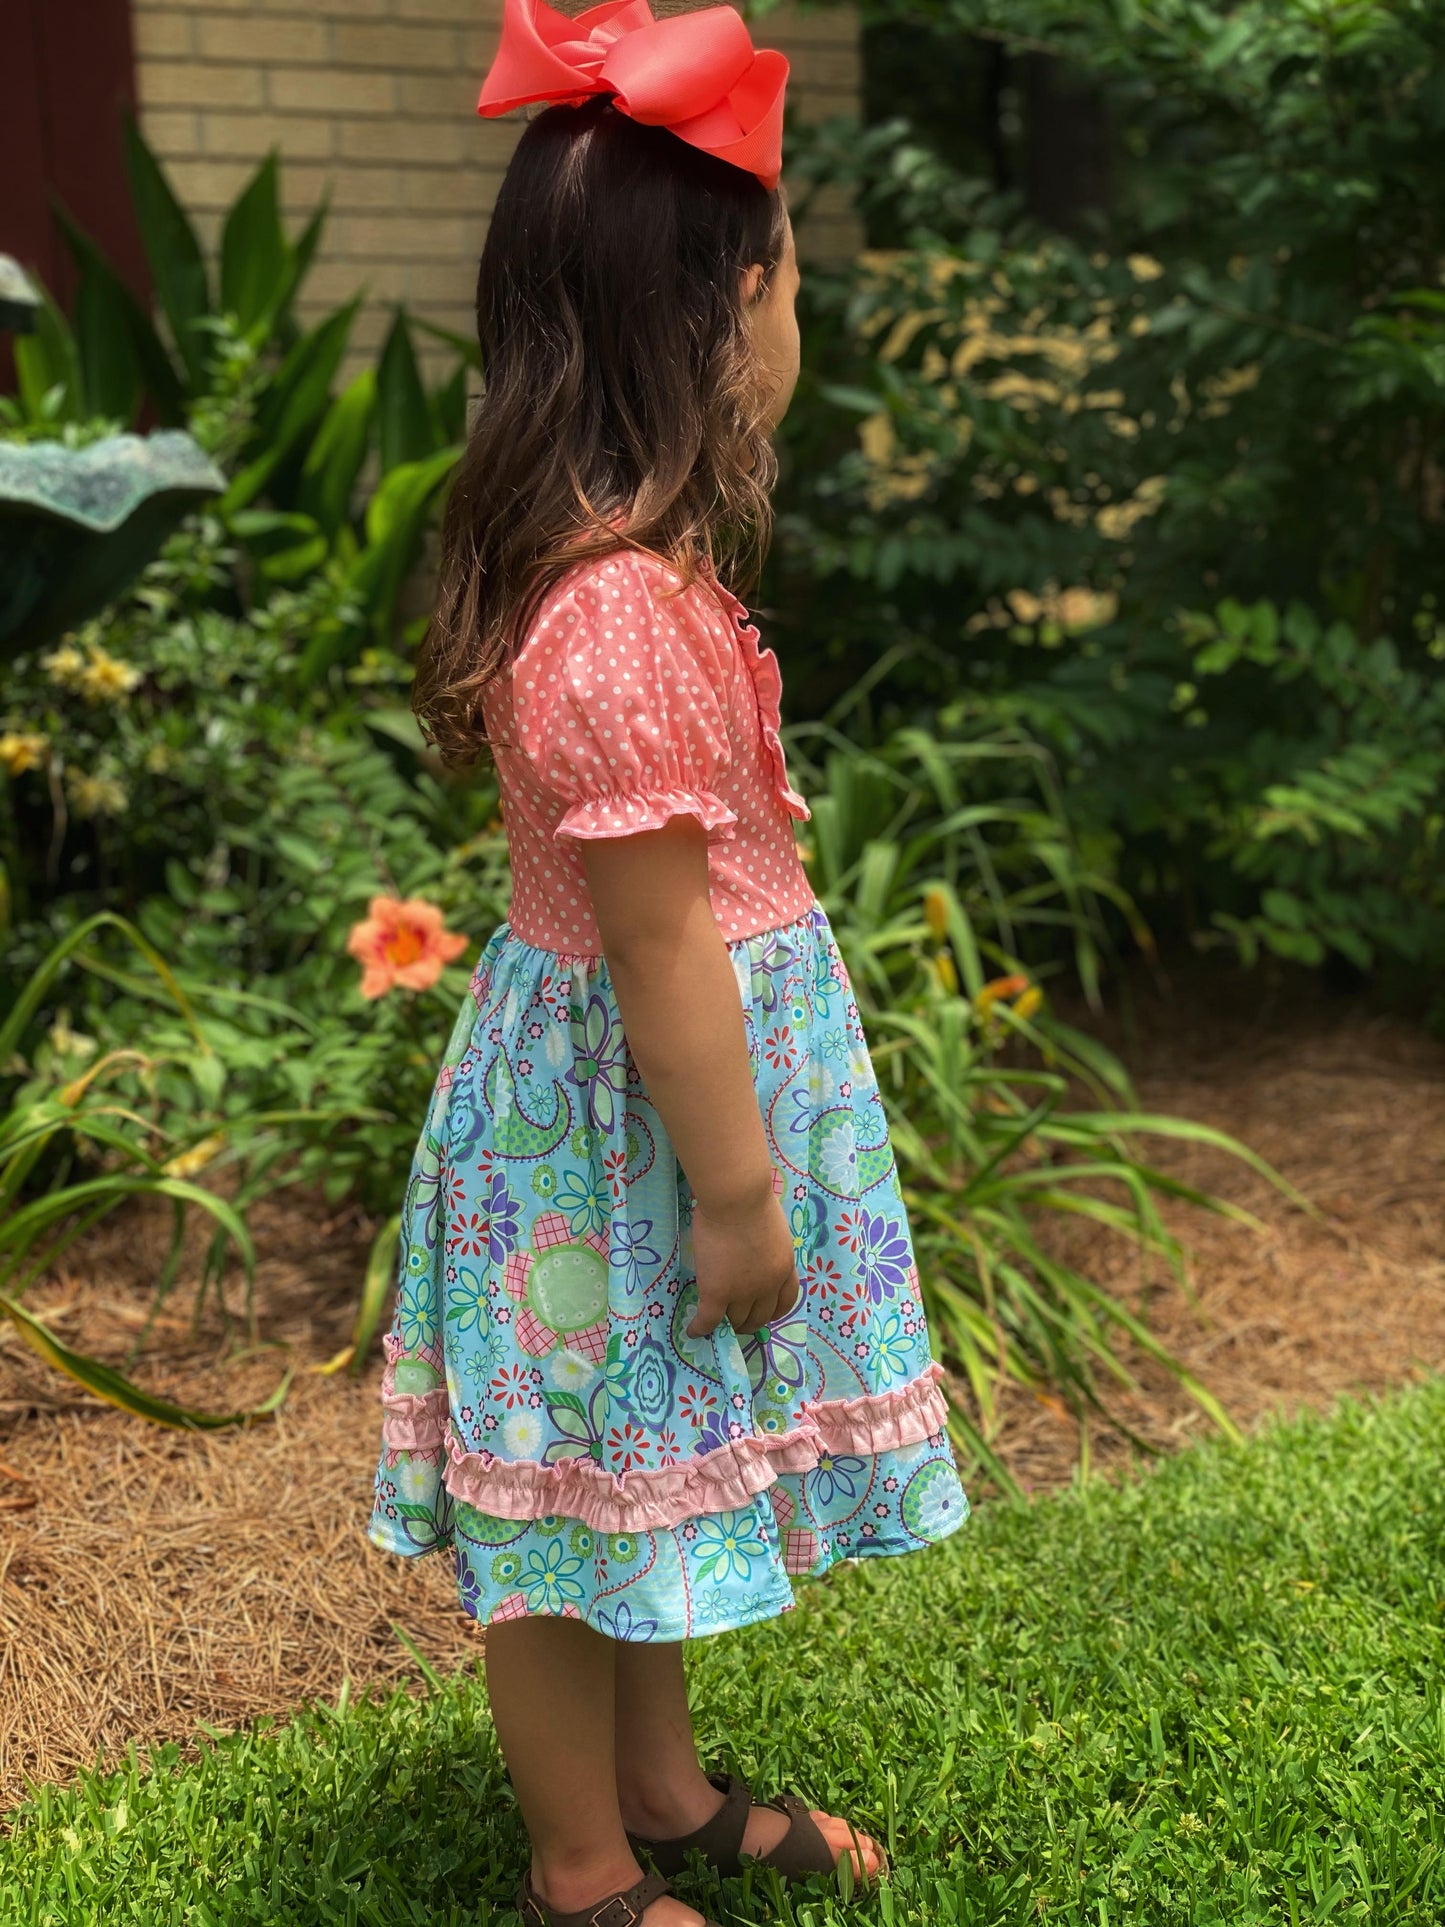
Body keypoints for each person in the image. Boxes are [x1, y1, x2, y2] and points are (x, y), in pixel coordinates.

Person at [368, 3, 969, 1921]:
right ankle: (577, 1866)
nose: (801, 320)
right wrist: (738, 1192)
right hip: (621, 1143)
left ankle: (661, 1784)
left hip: (632, 1118)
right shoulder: (616, 613)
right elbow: (654, 941)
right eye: (789, 277)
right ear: (721, 311)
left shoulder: (632, 571)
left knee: (649, 1467)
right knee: (561, 1504)